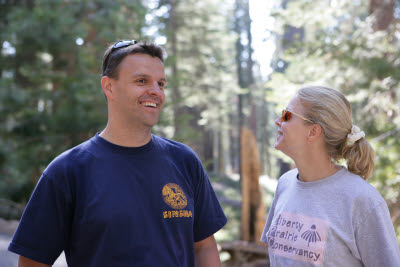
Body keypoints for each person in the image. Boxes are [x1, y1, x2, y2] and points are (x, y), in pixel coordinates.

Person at [8, 40, 227, 267]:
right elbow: (32, 261)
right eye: (142, 81)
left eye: (161, 84)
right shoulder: (67, 171)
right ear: (109, 87)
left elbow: (204, 246)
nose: (156, 91)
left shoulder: (184, 161)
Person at [260, 86, 400, 266]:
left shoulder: (362, 200)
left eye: (287, 115)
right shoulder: (285, 184)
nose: (277, 120)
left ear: (313, 132)